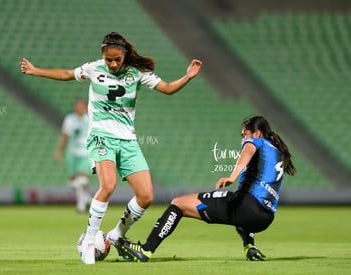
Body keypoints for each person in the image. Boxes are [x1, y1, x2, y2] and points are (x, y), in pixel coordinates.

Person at [19, 31, 202, 264]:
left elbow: (167, 88)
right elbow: (66, 73)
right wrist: (36, 71)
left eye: (117, 59)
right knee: (108, 185)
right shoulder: (94, 68)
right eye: (109, 60)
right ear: (103, 57)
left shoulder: (137, 73)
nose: (113, 64)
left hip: (128, 141)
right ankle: (89, 241)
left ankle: (116, 235)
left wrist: (187, 77)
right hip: (101, 137)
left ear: (124, 55)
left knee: (145, 196)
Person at [119, 115, 296, 262]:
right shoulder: (278, 152)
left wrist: (232, 176)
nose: (243, 138)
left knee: (178, 204)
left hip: (247, 206)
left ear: (257, 133)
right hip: (265, 218)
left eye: (245, 134)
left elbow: (246, 153)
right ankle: (250, 247)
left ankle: (146, 250)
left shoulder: (255, 142)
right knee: (237, 205)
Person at [54, 98, 91, 213]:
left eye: (81, 106)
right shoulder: (70, 119)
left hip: (86, 152)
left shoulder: (90, 119)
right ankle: (88, 199)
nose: (79, 108)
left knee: (82, 179)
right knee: (72, 182)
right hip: (73, 152)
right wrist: (59, 150)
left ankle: (81, 207)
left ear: (85, 107)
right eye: (77, 106)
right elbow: (65, 136)